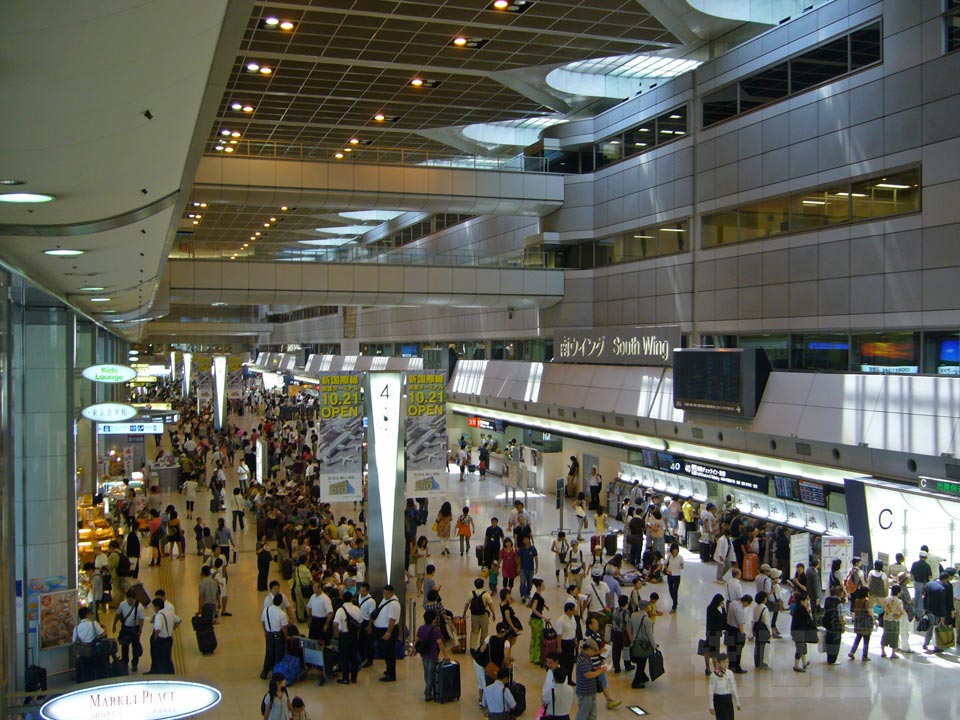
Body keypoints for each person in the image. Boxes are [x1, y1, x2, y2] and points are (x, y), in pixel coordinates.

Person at [416, 609, 450, 701]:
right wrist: (446, 655)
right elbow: (440, 643)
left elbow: (417, 640)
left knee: (427, 673)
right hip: (432, 655)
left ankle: (430, 690)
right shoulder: (435, 631)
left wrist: (413, 650)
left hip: (424, 655)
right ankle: (427, 693)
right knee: (431, 674)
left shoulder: (421, 628)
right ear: (434, 620)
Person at [373, 584, 402, 681]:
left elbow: (392, 620)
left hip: (388, 630)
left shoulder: (394, 604)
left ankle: (391, 674)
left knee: (389, 653)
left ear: (392, 593)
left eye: (387, 593)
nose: (385, 595)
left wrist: (388, 632)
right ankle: (389, 670)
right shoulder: (385, 600)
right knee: (385, 652)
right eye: (384, 593)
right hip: (382, 630)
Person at [333, 591, 362, 683]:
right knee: (354, 656)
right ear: (352, 599)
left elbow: (336, 624)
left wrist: (336, 634)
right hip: (354, 635)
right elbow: (359, 623)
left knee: (344, 657)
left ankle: (345, 678)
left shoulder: (340, 610)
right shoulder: (357, 609)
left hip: (344, 636)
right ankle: (354, 677)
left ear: (343, 599)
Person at [73, 606, 108, 682]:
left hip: (82, 653)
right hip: (93, 652)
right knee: (95, 670)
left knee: (85, 671)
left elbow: (74, 640)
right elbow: (102, 634)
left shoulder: (76, 627)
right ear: (87, 614)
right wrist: (105, 628)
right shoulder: (93, 623)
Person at [626, 599, 655, 689]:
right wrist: (654, 646)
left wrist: (632, 641)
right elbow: (650, 634)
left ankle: (643, 677)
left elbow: (630, 629)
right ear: (646, 607)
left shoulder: (633, 615)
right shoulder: (646, 619)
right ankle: (636, 682)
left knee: (639, 662)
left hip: (635, 643)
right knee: (641, 663)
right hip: (643, 645)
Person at [114, 587, 145, 673]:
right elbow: (118, 614)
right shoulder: (122, 604)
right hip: (125, 629)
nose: (130, 602)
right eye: (128, 600)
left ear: (134, 599)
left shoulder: (139, 607)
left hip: (135, 629)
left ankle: (134, 664)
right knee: (124, 648)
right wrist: (114, 624)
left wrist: (140, 630)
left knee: (135, 648)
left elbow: (141, 619)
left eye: (131, 600)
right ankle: (125, 663)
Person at [574, 638, 603, 720]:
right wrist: (600, 671)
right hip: (585, 692)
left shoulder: (586, 657)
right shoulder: (582, 659)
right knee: (583, 713)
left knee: (592, 714)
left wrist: (595, 669)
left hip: (591, 690)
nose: (594, 653)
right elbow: (588, 675)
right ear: (589, 649)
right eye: (594, 651)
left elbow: (588, 670)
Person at [148, 596, 178, 675]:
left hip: (161, 640)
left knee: (159, 659)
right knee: (167, 658)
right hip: (169, 639)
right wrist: (172, 628)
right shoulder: (169, 612)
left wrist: (155, 638)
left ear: (157, 607)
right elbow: (178, 620)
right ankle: (171, 673)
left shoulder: (159, 615)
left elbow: (157, 629)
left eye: (154, 607)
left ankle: (162, 674)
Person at [708, 653, 741, 720]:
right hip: (719, 700)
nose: (726, 664)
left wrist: (737, 701)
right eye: (723, 662)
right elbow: (711, 691)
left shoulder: (730, 673)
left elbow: (733, 687)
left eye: (727, 662)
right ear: (718, 663)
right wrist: (711, 706)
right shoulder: (714, 675)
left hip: (728, 699)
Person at [724, 594, 751, 674]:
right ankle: (737, 667)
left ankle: (731, 666)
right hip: (736, 631)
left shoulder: (732, 603)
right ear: (746, 602)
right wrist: (742, 634)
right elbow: (740, 624)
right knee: (737, 650)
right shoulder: (739, 609)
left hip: (729, 629)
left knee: (730, 649)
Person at [848, 587, 874, 661]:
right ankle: (864, 656)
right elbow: (870, 612)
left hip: (858, 621)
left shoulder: (857, 600)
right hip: (866, 622)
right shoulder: (866, 602)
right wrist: (874, 620)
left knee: (858, 638)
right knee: (866, 640)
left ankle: (852, 652)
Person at [880, 584, 905, 659]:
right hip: (894, 620)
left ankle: (883, 651)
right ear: (898, 592)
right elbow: (901, 611)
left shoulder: (886, 599)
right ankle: (893, 653)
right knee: (894, 637)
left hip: (886, 619)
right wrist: (898, 616)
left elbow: (883, 608)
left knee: (885, 635)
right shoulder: (899, 601)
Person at [556, 602, 579, 685]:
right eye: (573, 609)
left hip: (571, 642)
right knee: (564, 662)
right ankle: (563, 679)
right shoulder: (561, 620)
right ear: (569, 610)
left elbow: (573, 629)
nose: (575, 611)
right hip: (564, 643)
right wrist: (559, 647)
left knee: (571, 662)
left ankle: (569, 679)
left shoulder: (572, 618)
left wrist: (575, 639)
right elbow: (559, 634)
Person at [704, 593, 726, 676]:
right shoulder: (716, 612)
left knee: (707, 651)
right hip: (715, 634)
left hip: (709, 632)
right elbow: (723, 619)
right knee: (715, 654)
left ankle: (707, 668)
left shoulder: (709, 608)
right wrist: (723, 609)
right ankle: (717, 671)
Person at [910, 550, 934, 622]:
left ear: (919, 556)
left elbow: (912, 574)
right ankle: (920, 614)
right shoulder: (927, 565)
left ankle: (915, 613)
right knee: (922, 599)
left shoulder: (914, 564)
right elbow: (930, 576)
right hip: (924, 584)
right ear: (926, 557)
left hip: (916, 583)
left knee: (916, 597)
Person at [751, 591, 771, 670]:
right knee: (762, 647)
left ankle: (757, 663)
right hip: (763, 629)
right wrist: (770, 632)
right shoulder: (765, 608)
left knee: (757, 646)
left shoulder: (755, 608)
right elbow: (767, 622)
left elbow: (754, 619)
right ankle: (761, 663)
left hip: (756, 628)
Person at [518, 536, 539, 603]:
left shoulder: (533, 549)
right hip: (523, 569)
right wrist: (518, 567)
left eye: (527, 540)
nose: (526, 541)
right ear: (523, 541)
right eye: (524, 540)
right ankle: (523, 595)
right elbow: (519, 559)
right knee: (523, 582)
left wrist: (537, 567)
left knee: (530, 583)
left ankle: (527, 594)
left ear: (529, 540)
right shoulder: (521, 549)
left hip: (531, 569)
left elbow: (536, 558)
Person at [665, 542, 684, 613]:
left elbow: (682, 565)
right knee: (670, 589)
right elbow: (665, 564)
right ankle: (675, 601)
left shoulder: (680, 557)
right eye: (674, 550)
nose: (675, 551)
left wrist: (681, 566)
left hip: (677, 575)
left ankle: (674, 605)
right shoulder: (669, 556)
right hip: (670, 575)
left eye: (676, 550)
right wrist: (667, 570)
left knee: (675, 590)